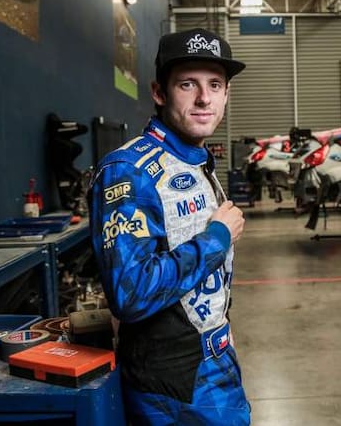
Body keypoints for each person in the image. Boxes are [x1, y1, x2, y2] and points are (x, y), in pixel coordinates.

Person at [89, 28, 251, 425]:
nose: (204, 98)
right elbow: (131, 293)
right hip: (170, 384)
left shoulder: (195, 161)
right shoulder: (128, 171)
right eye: (187, 84)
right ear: (159, 93)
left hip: (214, 362)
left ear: (227, 94)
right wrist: (217, 238)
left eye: (215, 85)